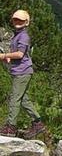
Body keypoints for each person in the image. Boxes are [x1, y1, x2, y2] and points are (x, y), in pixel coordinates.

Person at [0, 10, 46, 139]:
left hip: (22, 72)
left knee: (14, 99)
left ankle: (10, 127)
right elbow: (19, 54)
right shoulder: (18, 35)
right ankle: (38, 123)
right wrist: (9, 58)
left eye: (20, 20)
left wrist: (4, 55)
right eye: (15, 19)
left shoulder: (23, 36)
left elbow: (20, 54)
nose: (17, 22)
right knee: (24, 100)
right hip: (21, 71)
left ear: (26, 22)